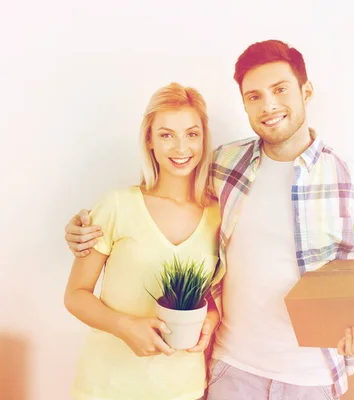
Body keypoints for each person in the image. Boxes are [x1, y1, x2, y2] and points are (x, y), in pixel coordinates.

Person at [65, 40, 354, 400]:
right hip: (230, 371)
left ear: (306, 91)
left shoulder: (353, 181)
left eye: (279, 89)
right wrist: (80, 228)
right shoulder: (226, 166)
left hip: (310, 378)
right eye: (254, 96)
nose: (268, 105)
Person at [63, 82, 222, 400]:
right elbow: (75, 296)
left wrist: (212, 318)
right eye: (166, 134)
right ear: (149, 139)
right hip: (107, 387)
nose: (181, 148)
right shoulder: (116, 205)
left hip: (182, 387)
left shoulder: (219, 215)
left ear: (204, 139)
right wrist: (125, 326)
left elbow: (219, 294)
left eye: (192, 134)